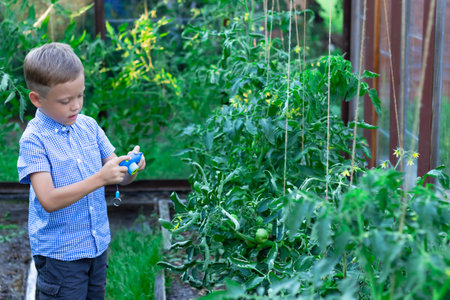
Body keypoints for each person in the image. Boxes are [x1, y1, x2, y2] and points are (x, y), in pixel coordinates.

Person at [17, 42, 146, 299]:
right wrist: (99, 178)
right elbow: (49, 199)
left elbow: (117, 173)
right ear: (37, 99)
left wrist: (132, 166)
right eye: (65, 100)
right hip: (60, 256)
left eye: (80, 95)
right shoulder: (34, 140)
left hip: (96, 246)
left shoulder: (88, 126)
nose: (76, 105)